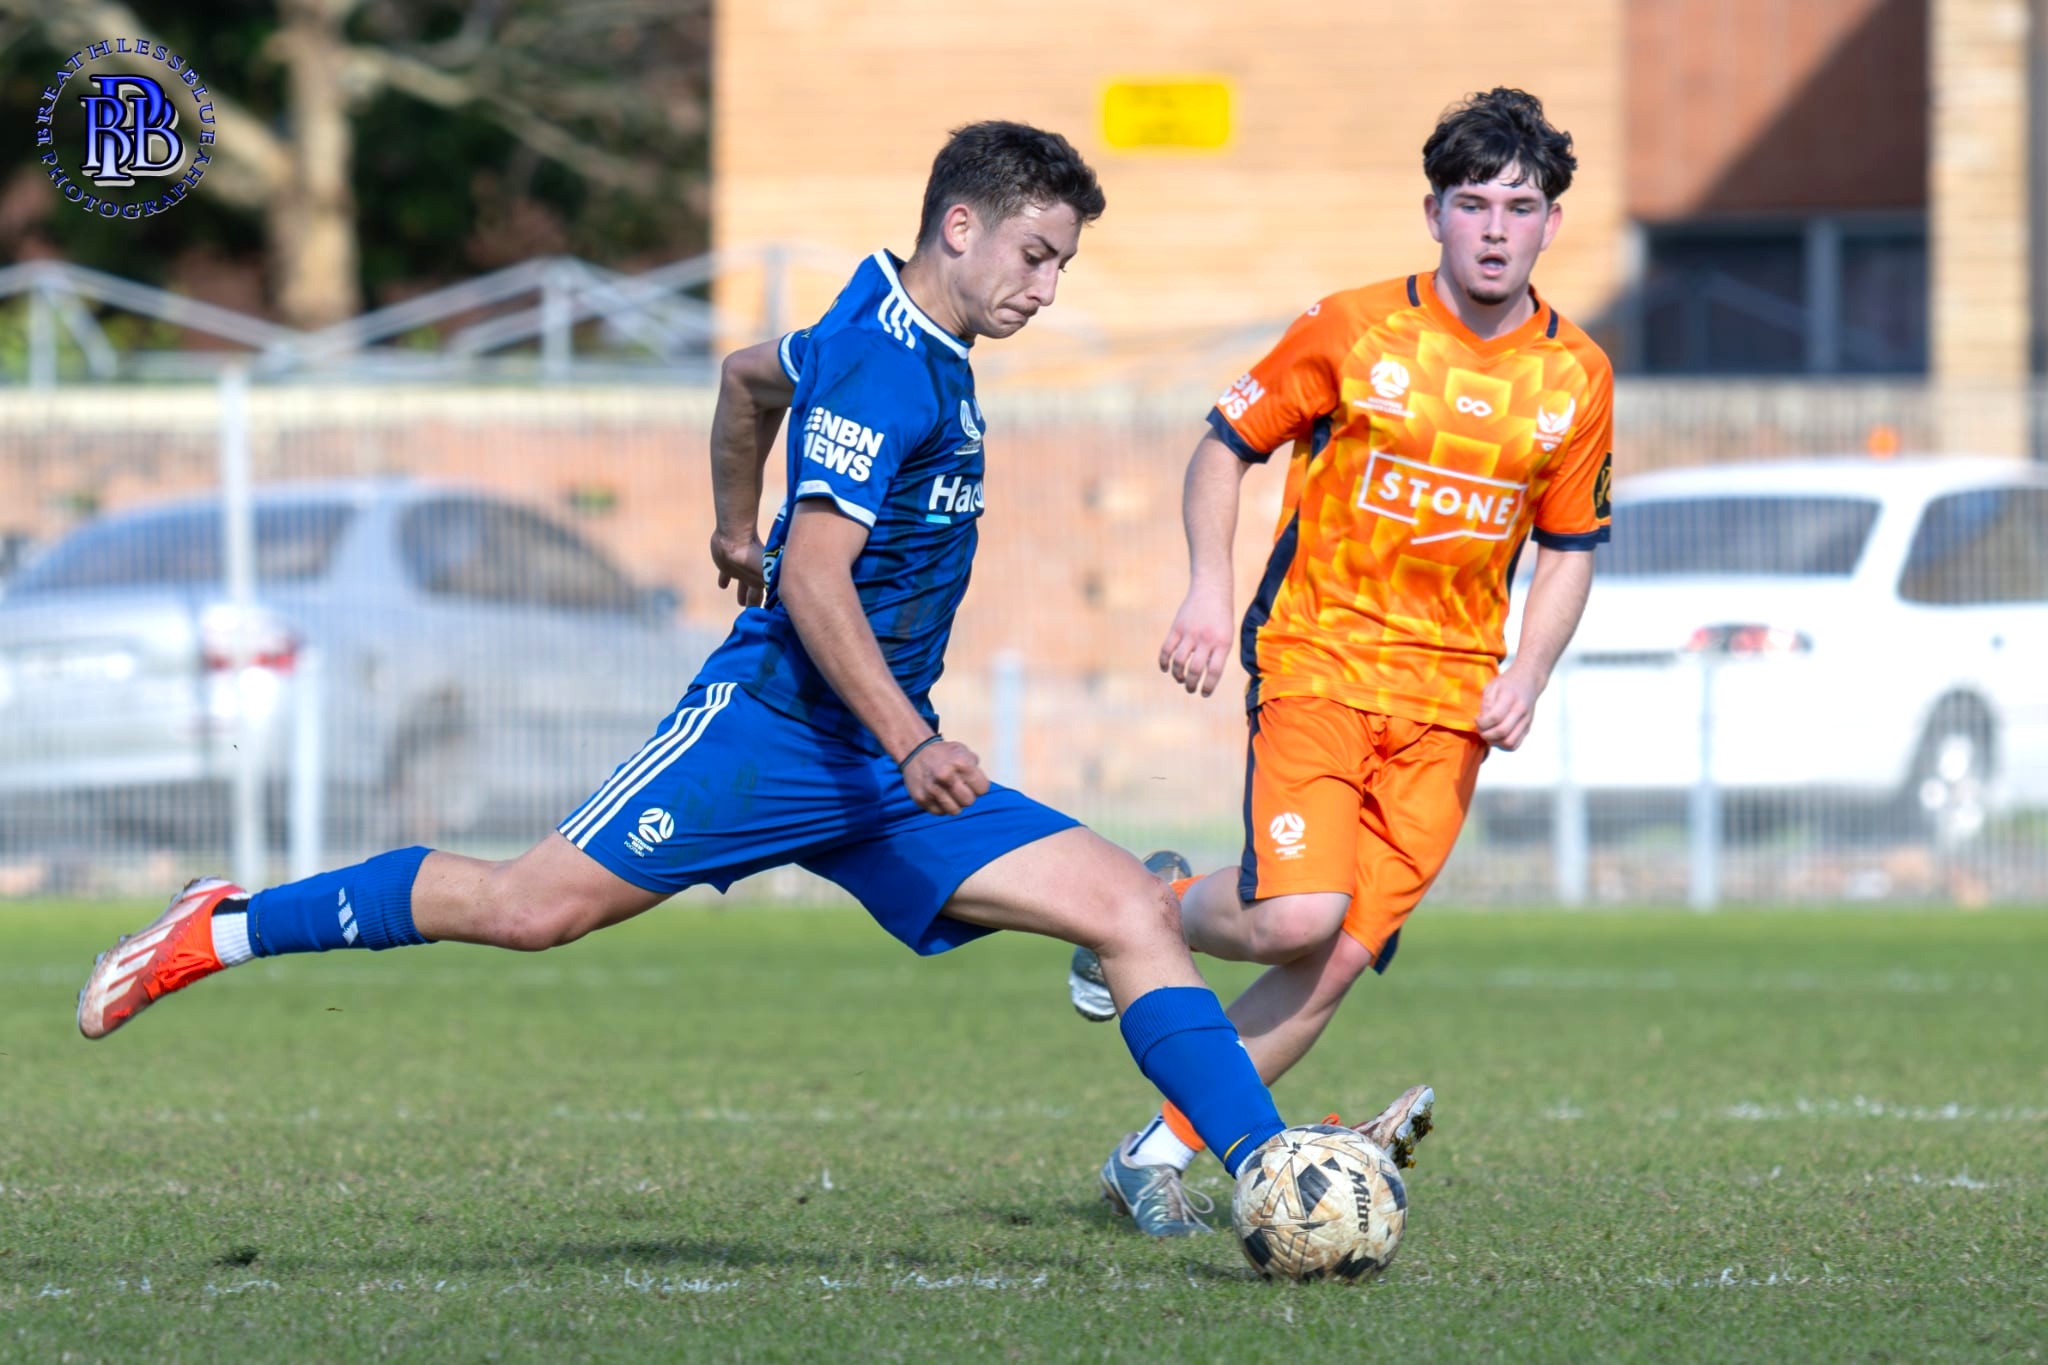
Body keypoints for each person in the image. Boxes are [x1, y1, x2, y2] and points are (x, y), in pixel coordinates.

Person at [77, 121, 1304, 1197]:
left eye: (1061, 265)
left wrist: (730, 521)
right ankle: (222, 926)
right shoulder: (886, 368)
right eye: (1034, 256)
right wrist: (908, 738)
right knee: (528, 909)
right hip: (771, 733)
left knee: (1127, 910)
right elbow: (813, 579)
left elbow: (745, 377)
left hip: (874, 754)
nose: (1046, 287)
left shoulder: (886, 331)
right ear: (959, 225)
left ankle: (1269, 1173)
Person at [1068, 88, 1614, 1236]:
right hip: (1317, 658)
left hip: (1449, 707)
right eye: (1472, 203)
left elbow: (1569, 549)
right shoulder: (1352, 328)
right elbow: (1223, 447)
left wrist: (1527, 670)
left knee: (1330, 963)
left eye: (1519, 206)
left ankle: (1149, 1160)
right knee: (1292, 919)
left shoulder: (1576, 377)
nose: (1495, 228)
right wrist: (1207, 588)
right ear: (1432, 213)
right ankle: (1139, 907)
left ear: (1551, 224)